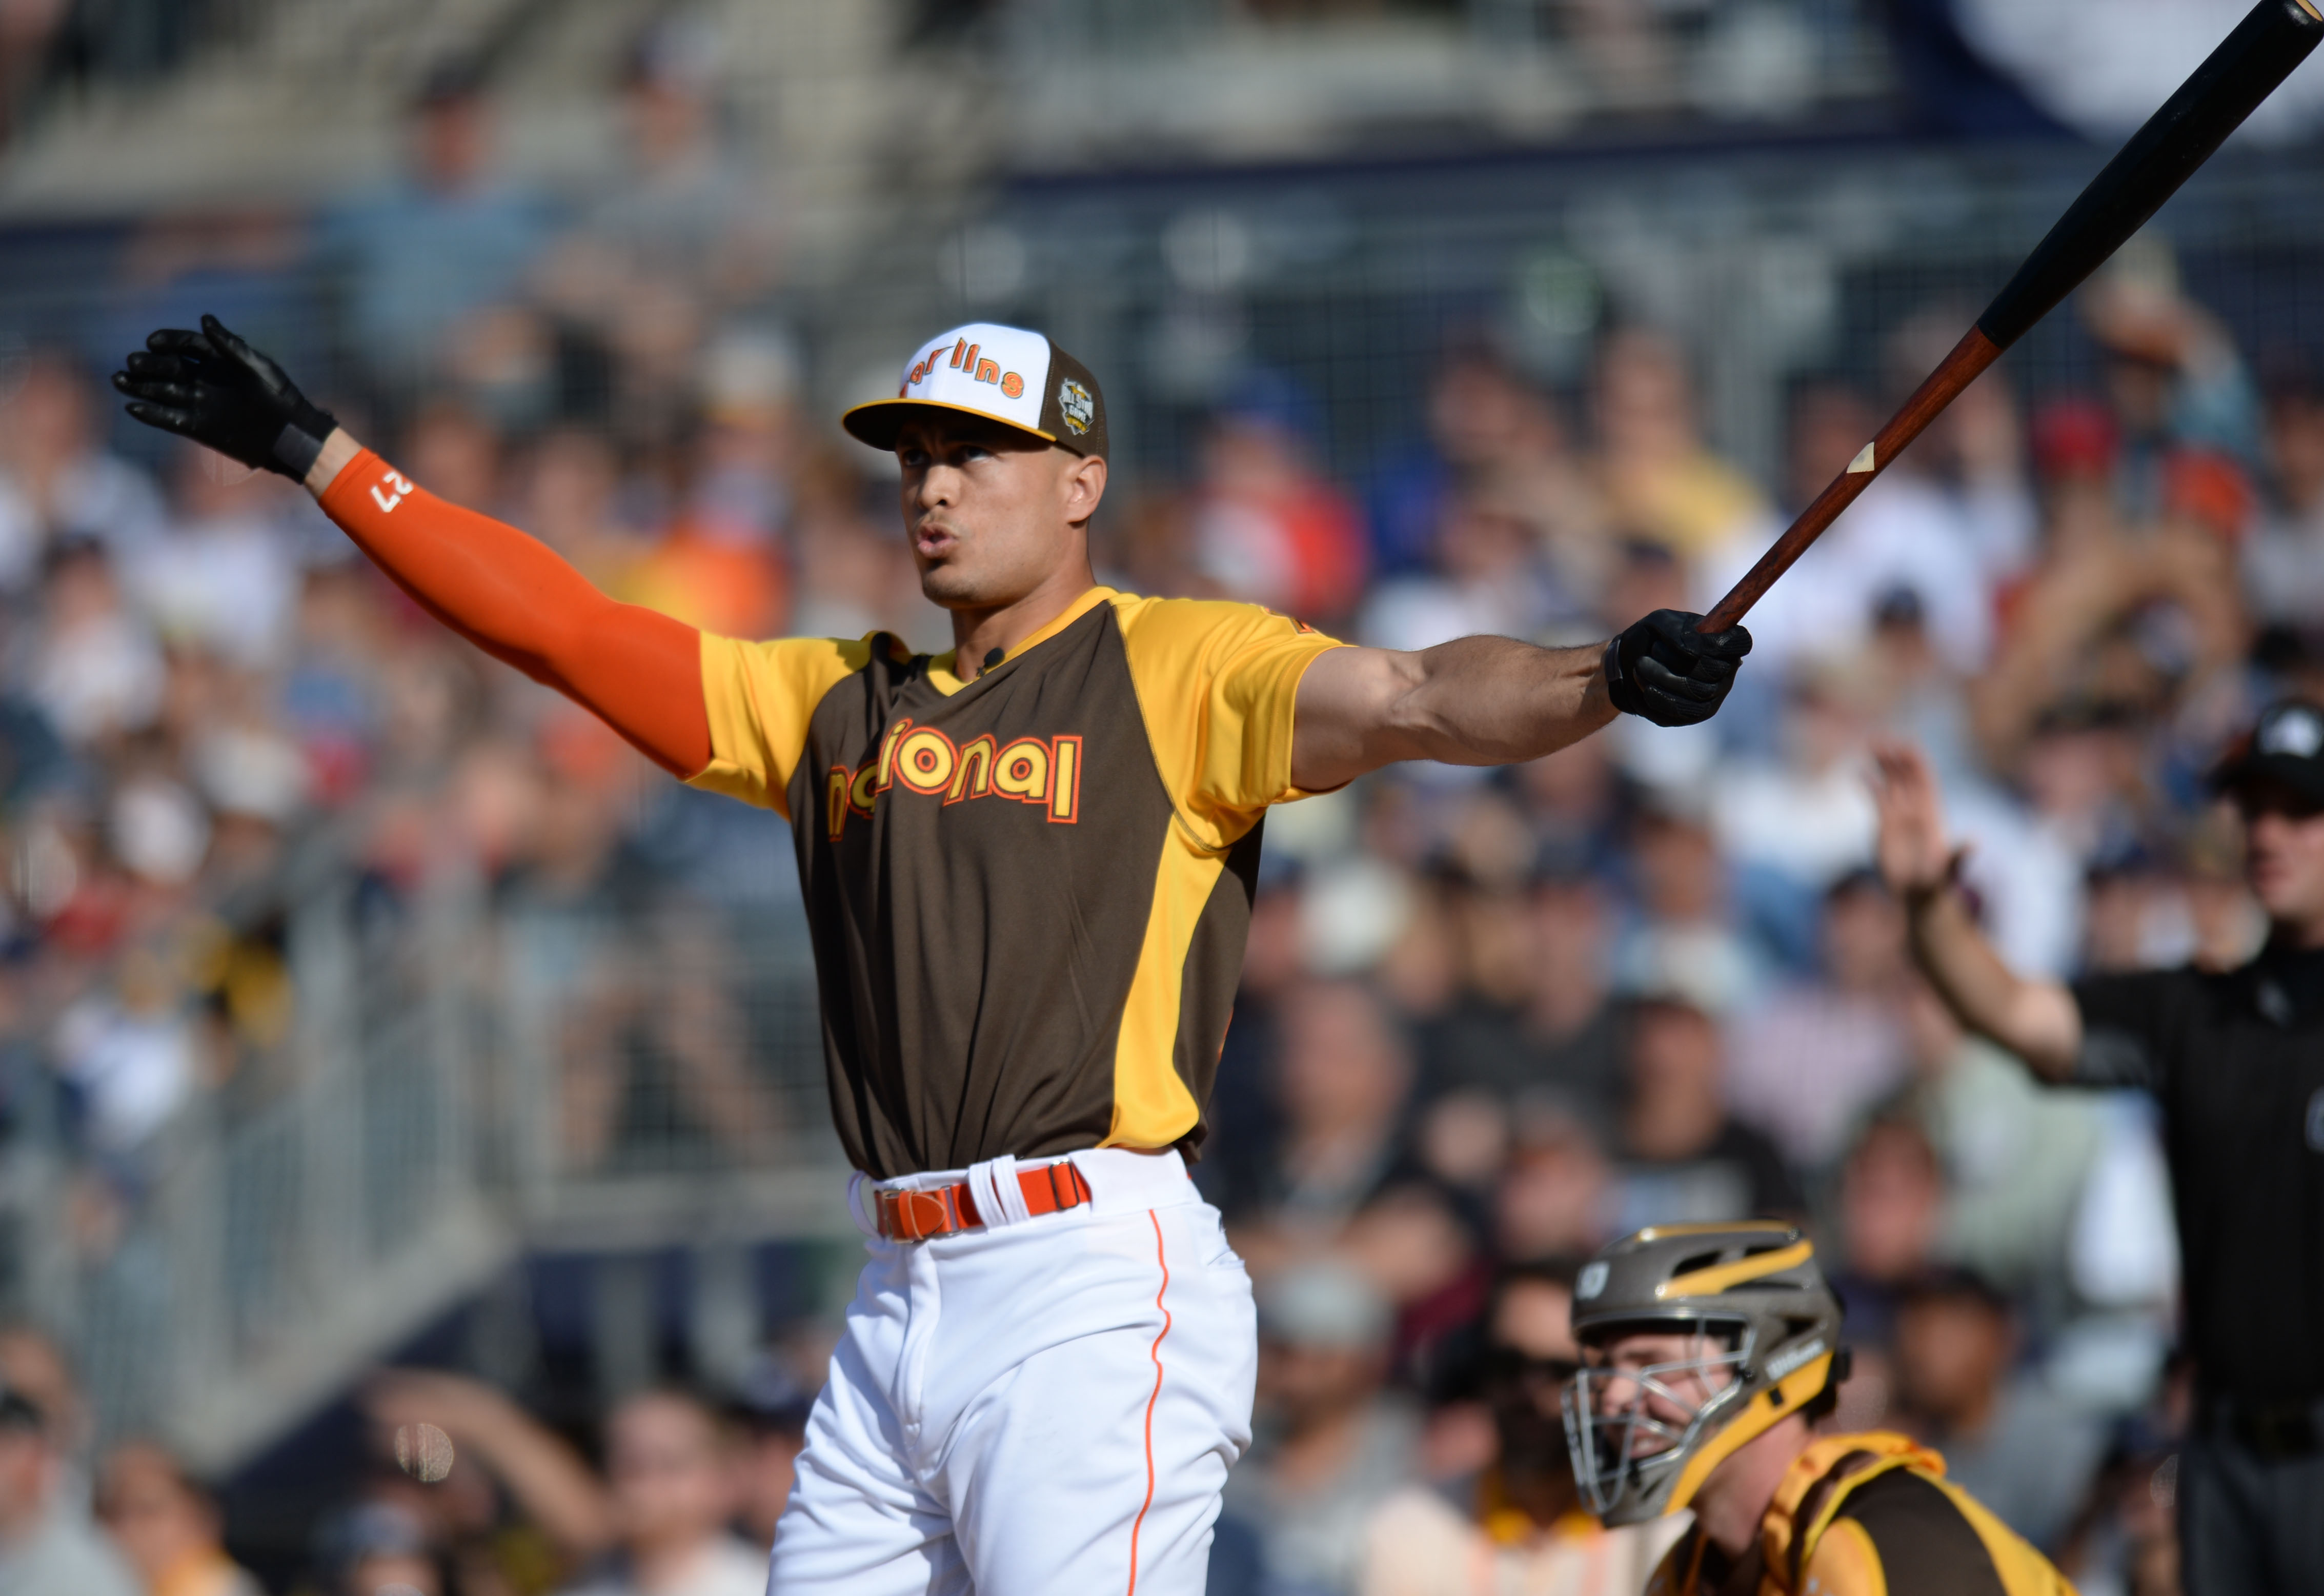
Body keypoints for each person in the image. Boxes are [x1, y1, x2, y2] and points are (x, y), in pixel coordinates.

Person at [111, 314, 1754, 1595]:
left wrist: (1599, 672)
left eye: (976, 449)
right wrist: (323, 456)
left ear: (1081, 480)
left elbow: (1411, 695)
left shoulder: (1178, 666)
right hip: (896, 1289)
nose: (934, 483)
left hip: (1090, 1273)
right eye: (914, 453)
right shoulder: (837, 695)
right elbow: (565, 628)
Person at [1871, 711, 2324, 1593]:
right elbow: (2011, 1014)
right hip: (2223, 1450)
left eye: (2300, 808)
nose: (2267, 831)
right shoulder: (2195, 1012)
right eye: (2251, 807)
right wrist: (1927, 905)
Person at [1562, 1222, 2073, 1594]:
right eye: (1607, 1370)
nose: (1613, 1398)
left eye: (1651, 1365)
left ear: (1768, 1359)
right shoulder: (1689, 1570)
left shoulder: (1877, 1542)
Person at [1359, 1260, 1685, 1596]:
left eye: (1559, 1371)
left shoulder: (1664, 1534)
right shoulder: (1412, 1528)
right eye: (1508, 1364)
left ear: (1609, 1382)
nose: (1529, 1391)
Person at [92, 1442, 261, 1596]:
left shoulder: (217, 1588)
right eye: (112, 1513)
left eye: (148, 1510)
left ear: (200, 1517)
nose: (128, 1528)